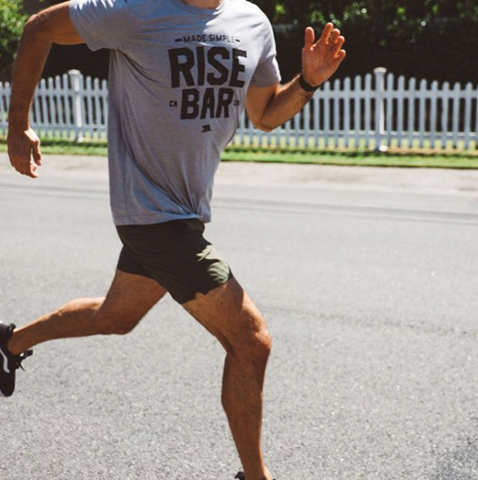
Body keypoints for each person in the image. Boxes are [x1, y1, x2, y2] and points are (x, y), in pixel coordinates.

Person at [2, 0, 346, 478]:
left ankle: (10, 342)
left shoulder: (251, 22)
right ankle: (256, 476)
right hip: (150, 214)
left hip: (185, 213)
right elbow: (39, 28)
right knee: (252, 342)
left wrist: (308, 82)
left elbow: (265, 114)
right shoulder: (133, 10)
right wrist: (18, 124)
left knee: (114, 317)